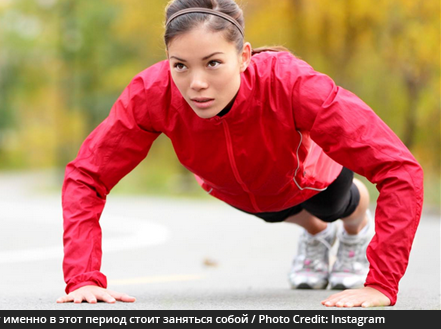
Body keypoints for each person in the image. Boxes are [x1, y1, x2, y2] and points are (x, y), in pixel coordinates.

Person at [56, 0, 423, 308]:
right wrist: (83, 280)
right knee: (274, 212)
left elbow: (399, 169)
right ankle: (316, 236)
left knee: (333, 206)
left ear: (243, 56)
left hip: (313, 179)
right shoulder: (152, 93)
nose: (196, 83)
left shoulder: (291, 83)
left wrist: (380, 283)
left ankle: (354, 230)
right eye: (180, 65)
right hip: (236, 186)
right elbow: (87, 176)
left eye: (213, 63)